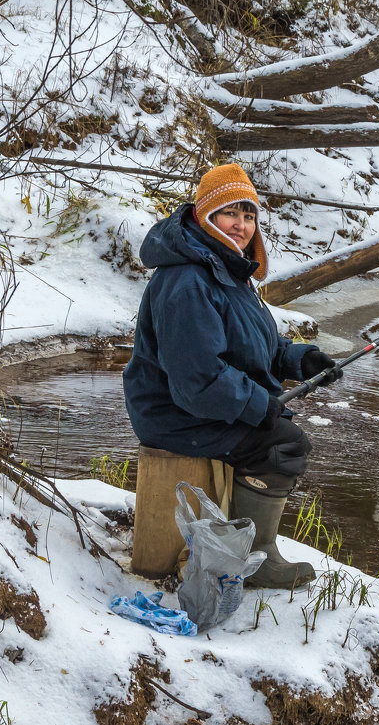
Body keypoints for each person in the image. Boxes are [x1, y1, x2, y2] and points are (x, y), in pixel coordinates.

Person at [123, 163, 341, 588]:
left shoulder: (225, 268)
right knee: (282, 445)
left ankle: (240, 544)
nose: (241, 225)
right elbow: (197, 380)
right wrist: (260, 406)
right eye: (230, 214)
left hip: (196, 401)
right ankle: (256, 560)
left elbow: (255, 346)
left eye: (249, 215)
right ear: (206, 215)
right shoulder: (188, 278)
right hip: (173, 412)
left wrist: (302, 360)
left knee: (279, 433)